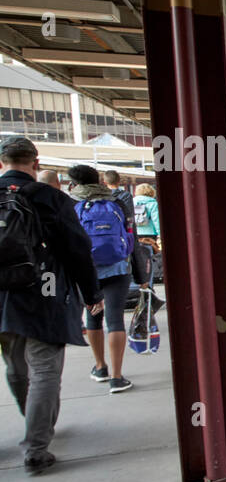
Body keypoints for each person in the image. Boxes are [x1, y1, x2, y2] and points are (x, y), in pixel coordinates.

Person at [0, 136, 103, 474]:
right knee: (44, 369)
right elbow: (77, 251)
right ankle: (36, 447)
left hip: (3, 300)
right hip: (43, 292)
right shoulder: (50, 198)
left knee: (15, 368)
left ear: (2, 163)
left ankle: (32, 420)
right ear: (36, 162)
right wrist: (91, 295)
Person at [68, 164, 135, 393]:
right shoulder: (116, 203)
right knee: (115, 320)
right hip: (117, 268)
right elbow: (129, 235)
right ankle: (117, 378)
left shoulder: (72, 206)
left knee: (93, 316)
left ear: (74, 183)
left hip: (87, 271)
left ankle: (100, 367)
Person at [132, 183, 162, 286]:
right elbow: (157, 220)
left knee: (136, 261)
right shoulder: (152, 203)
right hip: (149, 237)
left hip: (135, 235)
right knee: (149, 261)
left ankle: (138, 285)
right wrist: (160, 235)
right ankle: (149, 285)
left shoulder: (132, 202)